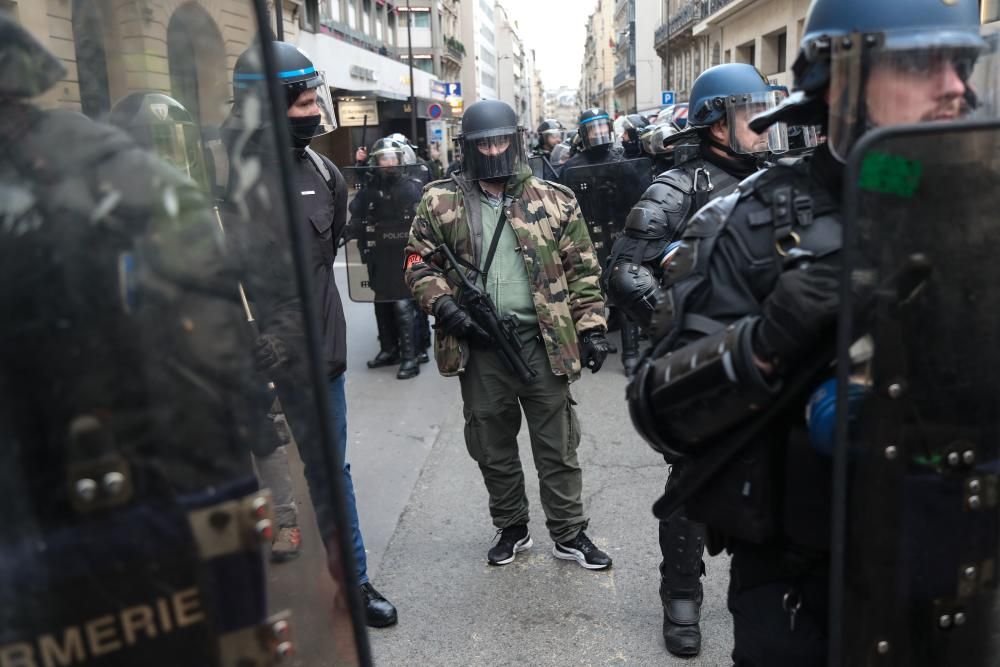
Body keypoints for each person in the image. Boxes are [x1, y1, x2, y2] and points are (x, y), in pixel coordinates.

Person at [625, 0, 995, 663]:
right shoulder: (752, 223)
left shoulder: (977, 208)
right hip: (801, 593)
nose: (954, 85)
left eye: (960, 62)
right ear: (842, 82)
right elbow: (659, 411)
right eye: (920, 63)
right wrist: (767, 340)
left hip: (958, 581)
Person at [604, 62, 788, 659]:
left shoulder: (782, 178)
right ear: (715, 122)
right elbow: (625, 270)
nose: (763, 123)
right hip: (704, 363)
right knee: (692, 480)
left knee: (781, 477)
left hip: (773, 358)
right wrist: (683, 324)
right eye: (748, 112)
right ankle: (681, 594)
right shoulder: (677, 187)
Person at [227, 40, 397, 628]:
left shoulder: (324, 172)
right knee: (236, 476)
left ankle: (353, 582)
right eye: (301, 101)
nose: (314, 110)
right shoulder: (218, 175)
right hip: (240, 362)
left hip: (315, 357)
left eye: (312, 98)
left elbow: (319, 270)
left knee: (330, 471)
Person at [404, 99, 614, 570]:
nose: (494, 149)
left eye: (501, 140)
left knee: (558, 445)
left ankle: (568, 532)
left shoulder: (554, 199)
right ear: (470, 148)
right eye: (484, 143)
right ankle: (512, 526)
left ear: (516, 141)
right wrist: (445, 306)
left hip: (544, 343)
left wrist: (593, 330)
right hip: (480, 348)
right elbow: (416, 262)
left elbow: (583, 270)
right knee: (492, 446)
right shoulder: (440, 201)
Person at [560, 107, 649, 372]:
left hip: (620, 233)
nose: (599, 134)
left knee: (625, 287)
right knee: (591, 290)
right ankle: (593, 339)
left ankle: (630, 353)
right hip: (588, 236)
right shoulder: (572, 167)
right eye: (592, 129)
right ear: (583, 134)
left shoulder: (622, 160)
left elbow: (640, 195)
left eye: (602, 127)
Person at [349, 137, 429, 379]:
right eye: (384, 158)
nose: (388, 162)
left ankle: (410, 356)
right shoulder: (372, 188)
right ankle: (389, 349)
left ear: (401, 159)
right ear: (376, 161)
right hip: (380, 254)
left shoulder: (410, 186)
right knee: (381, 301)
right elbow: (357, 213)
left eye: (392, 158)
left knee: (404, 303)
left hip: (405, 254)